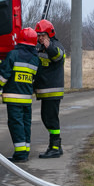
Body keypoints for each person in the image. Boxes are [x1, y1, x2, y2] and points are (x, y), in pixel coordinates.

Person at [0, 28, 40, 162]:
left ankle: (20, 154)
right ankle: (25, 151)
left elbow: (3, 75)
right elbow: (35, 79)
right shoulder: (35, 59)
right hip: (27, 99)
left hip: (13, 97)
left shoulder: (13, 55)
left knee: (15, 124)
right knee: (25, 123)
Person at [33, 19, 66, 158]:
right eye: (38, 35)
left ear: (49, 35)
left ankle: (55, 147)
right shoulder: (40, 48)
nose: (40, 38)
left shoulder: (56, 46)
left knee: (51, 118)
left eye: (42, 35)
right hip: (44, 91)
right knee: (46, 118)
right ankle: (55, 146)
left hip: (52, 91)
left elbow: (58, 56)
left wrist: (49, 46)